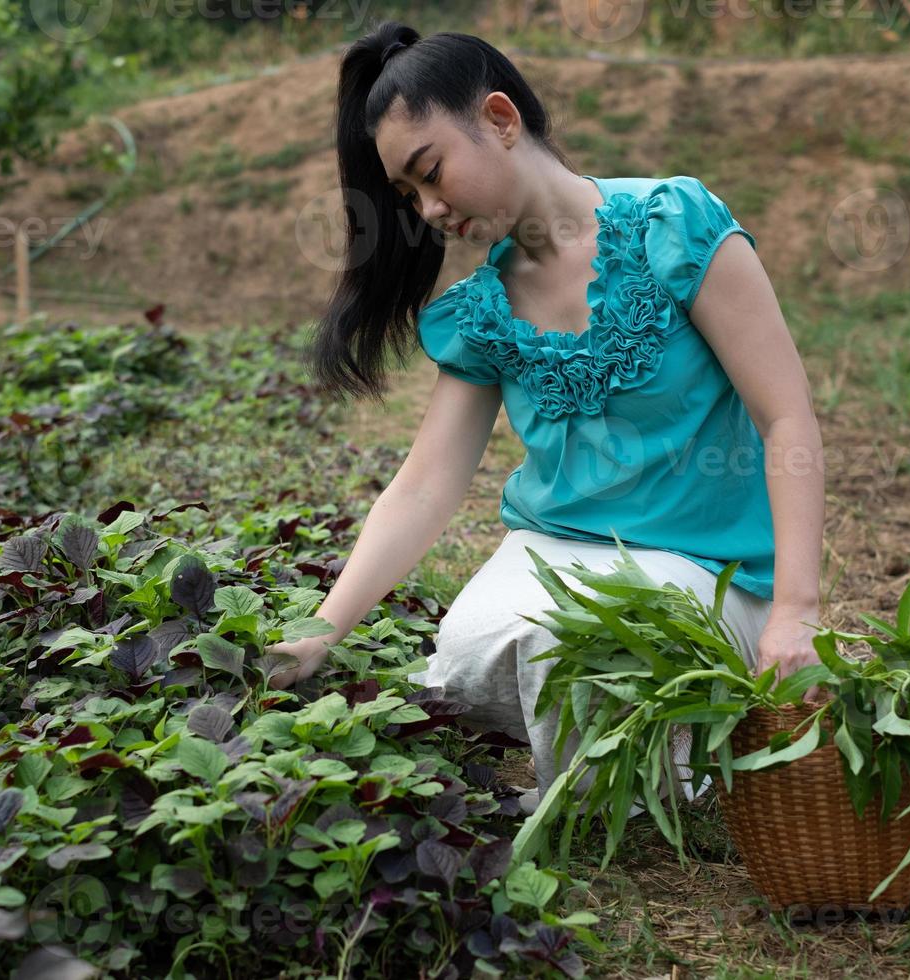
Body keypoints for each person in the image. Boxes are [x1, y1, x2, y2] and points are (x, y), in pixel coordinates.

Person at [262, 21, 827, 814]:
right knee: (468, 649)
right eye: (406, 196)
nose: (427, 208)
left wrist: (795, 614)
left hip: (707, 568)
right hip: (559, 554)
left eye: (430, 173)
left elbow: (787, 421)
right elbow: (425, 484)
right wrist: (321, 626)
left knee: (585, 643)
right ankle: (621, 768)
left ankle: (646, 779)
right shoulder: (484, 310)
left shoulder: (674, 226)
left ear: (499, 118)